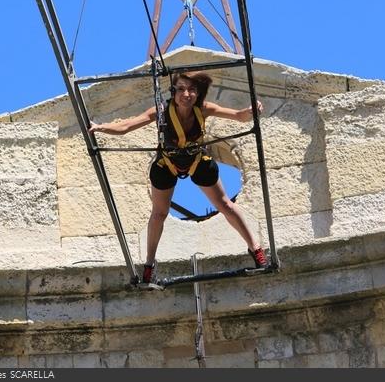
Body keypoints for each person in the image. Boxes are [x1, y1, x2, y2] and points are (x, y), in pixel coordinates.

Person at [89, 71, 268, 283]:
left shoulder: (203, 109)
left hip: (196, 161)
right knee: (158, 214)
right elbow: (127, 126)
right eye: (181, 89)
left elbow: (238, 116)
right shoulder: (161, 112)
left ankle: (256, 249)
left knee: (226, 205)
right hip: (167, 164)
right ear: (173, 92)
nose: (187, 94)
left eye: (192, 89)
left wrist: (251, 111)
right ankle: (149, 264)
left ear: (198, 93)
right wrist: (100, 127)